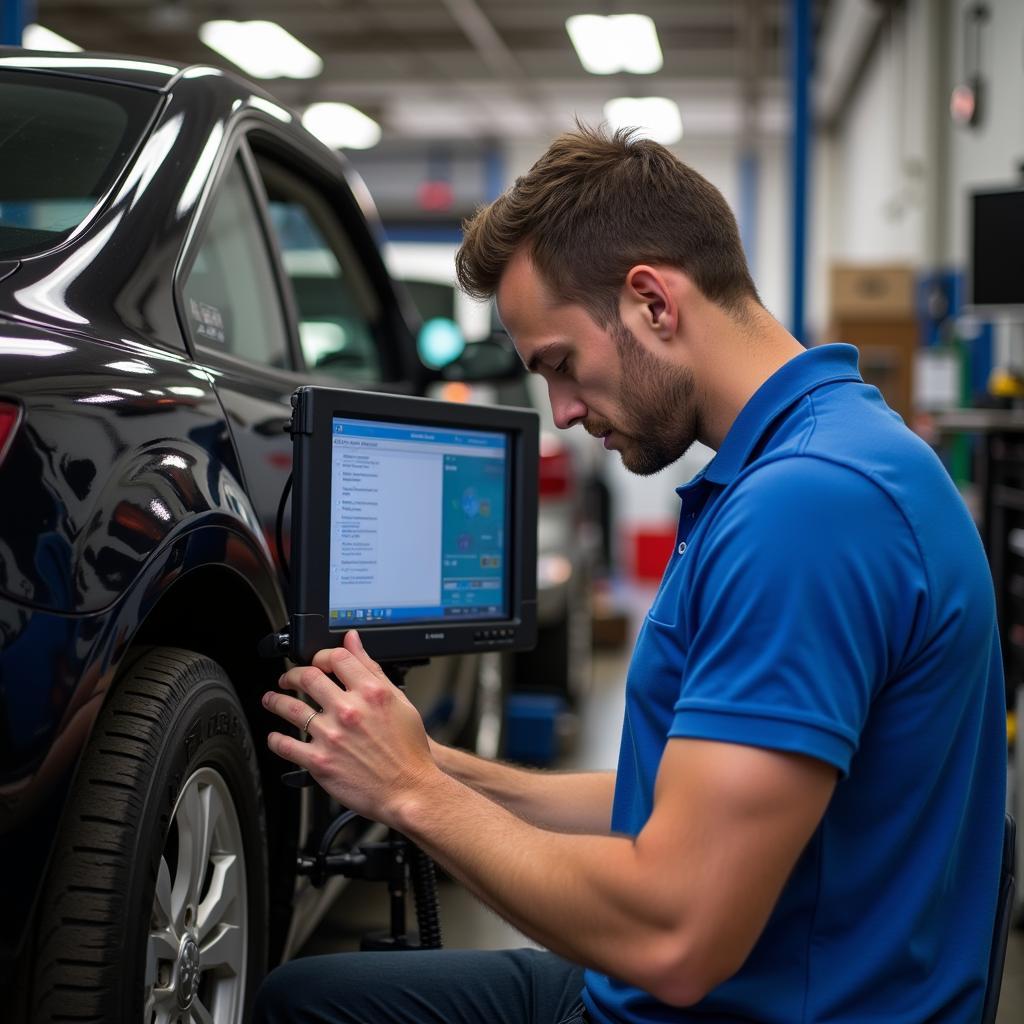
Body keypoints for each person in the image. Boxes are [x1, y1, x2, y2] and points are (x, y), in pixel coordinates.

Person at [253, 125, 1006, 1023]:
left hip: (730, 1003)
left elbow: (675, 938)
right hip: (774, 980)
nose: (563, 412)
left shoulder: (807, 511)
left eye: (562, 365)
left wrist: (412, 796)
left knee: (304, 1010)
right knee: (308, 993)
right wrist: (433, 764)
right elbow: (675, 796)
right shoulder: (834, 454)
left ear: (652, 301)